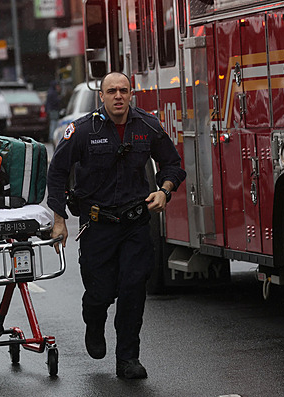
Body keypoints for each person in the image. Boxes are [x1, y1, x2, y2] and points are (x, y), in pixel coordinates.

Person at [46, 71, 186, 379]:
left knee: (133, 290)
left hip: (135, 224)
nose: (118, 96)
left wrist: (164, 191)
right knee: (100, 292)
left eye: (123, 90)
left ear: (132, 94)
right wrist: (59, 220)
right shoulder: (82, 130)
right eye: (112, 91)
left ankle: (127, 359)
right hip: (97, 226)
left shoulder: (147, 125)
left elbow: (173, 164)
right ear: (102, 96)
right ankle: (94, 322)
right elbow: (57, 172)